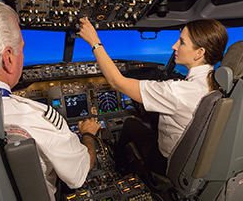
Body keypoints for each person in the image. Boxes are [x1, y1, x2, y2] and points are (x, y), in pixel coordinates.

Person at [0, 0, 101, 200]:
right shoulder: (33, 118)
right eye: (21, 48)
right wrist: (88, 135)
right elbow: (78, 175)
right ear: (8, 58)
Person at [78, 17, 228, 175]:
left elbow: (116, 82)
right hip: (196, 162)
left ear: (199, 53)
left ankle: (119, 170)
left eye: (182, 42)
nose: (174, 46)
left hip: (168, 164)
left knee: (130, 123)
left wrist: (94, 41)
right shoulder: (219, 85)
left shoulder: (179, 92)